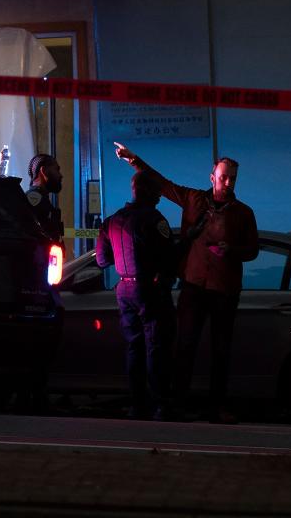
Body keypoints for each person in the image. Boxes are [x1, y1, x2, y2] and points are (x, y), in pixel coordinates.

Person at [113, 142, 258, 424]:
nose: (228, 182)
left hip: (224, 290)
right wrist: (134, 159)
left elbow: (252, 250)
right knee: (185, 346)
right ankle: (177, 404)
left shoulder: (243, 213)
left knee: (221, 349)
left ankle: (216, 407)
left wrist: (232, 250)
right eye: (224, 176)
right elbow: (162, 184)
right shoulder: (194, 199)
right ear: (212, 177)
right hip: (193, 286)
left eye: (232, 178)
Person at [96, 171, 177, 421]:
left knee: (134, 348)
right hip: (149, 289)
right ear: (147, 191)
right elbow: (169, 257)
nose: (160, 197)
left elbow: (102, 260)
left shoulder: (111, 221)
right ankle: (161, 406)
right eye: (157, 192)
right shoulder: (153, 219)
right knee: (156, 348)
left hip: (124, 290)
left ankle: (137, 405)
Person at [26, 153, 64, 245]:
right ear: (43, 171)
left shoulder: (41, 198)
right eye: (57, 170)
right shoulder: (34, 198)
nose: (60, 175)